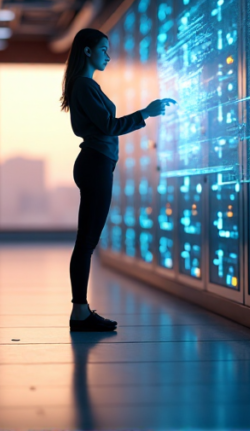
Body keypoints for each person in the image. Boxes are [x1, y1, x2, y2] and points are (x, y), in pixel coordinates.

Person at [59, 28, 175, 332]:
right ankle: (80, 313)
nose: (108, 56)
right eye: (103, 49)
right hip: (95, 164)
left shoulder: (85, 85)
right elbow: (109, 126)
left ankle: (80, 311)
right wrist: (145, 113)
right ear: (87, 51)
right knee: (86, 241)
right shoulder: (83, 86)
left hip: (97, 163)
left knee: (87, 240)